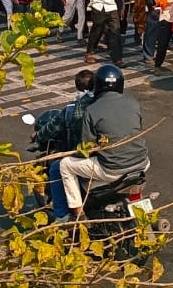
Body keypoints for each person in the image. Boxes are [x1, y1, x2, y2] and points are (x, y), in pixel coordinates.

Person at [58, 64, 150, 222]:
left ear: (98, 86)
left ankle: (78, 214)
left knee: (65, 165)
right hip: (142, 163)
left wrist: (76, 152)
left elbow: (87, 147)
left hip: (112, 169)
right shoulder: (133, 102)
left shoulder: (92, 110)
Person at [40, 69, 96, 222]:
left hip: (85, 156)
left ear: (77, 87)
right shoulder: (102, 103)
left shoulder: (73, 109)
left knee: (56, 168)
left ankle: (62, 216)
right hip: (106, 155)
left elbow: (51, 128)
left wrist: (36, 135)